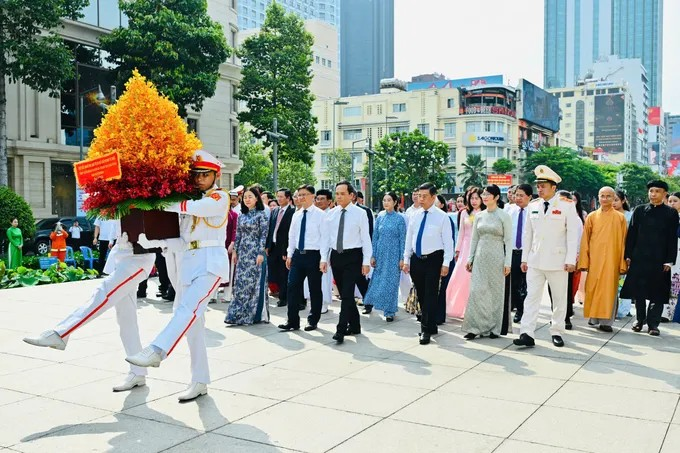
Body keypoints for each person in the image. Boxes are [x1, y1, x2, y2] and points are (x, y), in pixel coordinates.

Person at [125, 150, 230, 402]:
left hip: (210, 263)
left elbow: (192, 207)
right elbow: (182, 240)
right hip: (189, 263)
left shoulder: (219, 197)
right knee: (193, 325)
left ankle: (157, 350)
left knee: (186, 310)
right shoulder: (189, 203)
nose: (200, 179)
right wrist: (152, 241)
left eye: (205, 174)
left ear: (216, 175)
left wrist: (155, 201)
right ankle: (200, 380)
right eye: (196, 175)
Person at [23, 232, 157, 392]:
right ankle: (138, 372)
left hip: (137, 260)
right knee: (126, 319)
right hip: (122, 258)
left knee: (103, 294)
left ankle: (60, 333)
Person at [514, 165, 580, 348]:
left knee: (559, 299)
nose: (539, 189)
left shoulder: (567, 205)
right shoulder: (533, 205)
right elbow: (528, 234)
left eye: (543, 185)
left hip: (558, 261)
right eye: (538, 185)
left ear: (553, 187)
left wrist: (570, 260)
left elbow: (572, 234)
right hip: (535, 260)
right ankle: (526, 333)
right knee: (531, 297)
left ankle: (557, 331)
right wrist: (525, 258)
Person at [621, 180, 679, 336]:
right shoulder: (640, 210)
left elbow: (672, 239)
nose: (653, 194)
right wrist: (628, 255)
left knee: (658, 292)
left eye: (657, 191)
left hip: (660, 258)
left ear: (664, 194)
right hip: (640, 257)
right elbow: (631, 234)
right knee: (639, 291)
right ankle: (639, 320)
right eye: (651, 191)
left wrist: (669, 260)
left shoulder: (671, 213)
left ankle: (653, 324)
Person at [403, 183, 453, 345]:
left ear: (433, 197)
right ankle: (431, 324)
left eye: (424, 196)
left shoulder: (442, 217)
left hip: (434, 259)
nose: (421, 199)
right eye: (419, 195)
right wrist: (406, 259)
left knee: (431, 294)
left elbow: (448, 242)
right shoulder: (414, 215)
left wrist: (446, 262)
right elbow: (409, 239)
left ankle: (425, 330)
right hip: (417, 259)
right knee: (422, 294)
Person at [462, 185, 513, 339]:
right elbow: (474, 239)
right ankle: (474, 327)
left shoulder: (504, 216)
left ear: (496, 197)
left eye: (488, 194)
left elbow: (508, 241)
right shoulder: (479, 216)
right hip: (480, 257)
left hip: (497, 257)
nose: (484, 197)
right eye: (483, 194)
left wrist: (508, 263)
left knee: (494, 293)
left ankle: (494, 328)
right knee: (476, 291)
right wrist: (470, 258)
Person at [325, 181, 372, 344]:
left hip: (353, 257)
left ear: (351, 195)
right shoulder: (331, 214)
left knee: (346, 295)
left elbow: (366, 238)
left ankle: (340, 329)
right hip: (336, 256)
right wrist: (324, 259)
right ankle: (355, 325)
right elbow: (327, 239)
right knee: (346, 295)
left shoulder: (360, 213)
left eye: (342, 194)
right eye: (337, 193)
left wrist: (366, 261)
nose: (339, 197)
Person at [278, 184, 327, 332]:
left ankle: (313, 320)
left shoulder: (321, 215)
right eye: (299, 195)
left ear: (313, 196)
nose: (301, 197)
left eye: (304, 194)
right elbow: (292, 236)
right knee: (292, 287)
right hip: (298, 256)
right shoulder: (296, 215)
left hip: (314, 255)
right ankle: (292, 321)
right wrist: (290, 254)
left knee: (314, 289)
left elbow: (325, 239)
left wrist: (323, 259)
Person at [578, 187, 628, 332]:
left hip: (613, 259)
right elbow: (585, 240)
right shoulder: (592, 216)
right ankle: (593, 318)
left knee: (609, 290)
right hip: (595, 259)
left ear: (613, 198)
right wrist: (584, 260)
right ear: (598, 197)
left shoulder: (620, 218)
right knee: (592, 288)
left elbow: (624, 241)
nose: (605, 199)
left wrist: (622, 263)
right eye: (602, 196)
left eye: (608, 196)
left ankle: (607, 322)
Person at [225, 186, 269, 325]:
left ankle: (253, 315)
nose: (247, 199)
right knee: (240, 285)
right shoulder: (241, 216)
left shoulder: (262, 215)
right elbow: (238, 235)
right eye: (245, 197)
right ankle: (236, 315)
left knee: (253, 284)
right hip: (243, 254)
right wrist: (235, 252)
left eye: (250, 197)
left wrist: (261, 253)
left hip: (255, 253)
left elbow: (264, 236)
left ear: (256, 199)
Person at [363, 192, 406, 322]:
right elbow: (375, 237)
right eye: (384, 200)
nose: (386, 203)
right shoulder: (380, 217)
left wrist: (402, 258)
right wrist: (373, 255)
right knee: (378, 281)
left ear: (395, 202)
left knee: (392, 283)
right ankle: (372, 304)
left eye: (389, 200)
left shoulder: (400, 219)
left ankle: (390, 311)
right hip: (380, 255)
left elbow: (403, 240)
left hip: (394, 255)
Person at [446, 187, 485, 317]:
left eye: (476, 198)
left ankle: (475, 309)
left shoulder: (485, 213)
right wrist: (457, 250)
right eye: (471, 198)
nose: (474, 201)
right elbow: (461, 232)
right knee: (461, 278)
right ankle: (460, 307)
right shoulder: (464, 213)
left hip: (480, 247)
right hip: (465, 248)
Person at [266, 188, 295, 308]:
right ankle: (278, 293)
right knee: (275, 272)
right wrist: (267, 246)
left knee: (284, 274)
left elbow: (290, 233)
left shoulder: (293, 212)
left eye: (281, 196)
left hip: (284, 248)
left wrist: (286, 251)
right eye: (277, 196)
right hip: (273, 247)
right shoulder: (275, 211)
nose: (279, 199)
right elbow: (270, 229)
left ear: (288, 198)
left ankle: (284, 298)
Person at [510, 184, 532, 323]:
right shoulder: (509, 210)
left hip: (528, 253)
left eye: (521, 195)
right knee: (515, 284)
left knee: (528, 284)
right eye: (516, 195)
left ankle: (527, 310)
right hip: (513, 252)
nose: (518, 198)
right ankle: (519, 309)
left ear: (529, 197)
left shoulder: (534, 211)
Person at [435, 195, 455, 325]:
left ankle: (439, 316)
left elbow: (449, 241)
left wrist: (446, 260)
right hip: (432, 258)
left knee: (441, 288)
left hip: (444, 258)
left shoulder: (445, 219)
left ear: (442, 205)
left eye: (435, 202)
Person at [665, 192, 680, 323]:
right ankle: (665, 313)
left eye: (675, 201)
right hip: (666, 253)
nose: (672, 204)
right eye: (670, 201)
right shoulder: (665, 216)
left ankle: (674, 313)